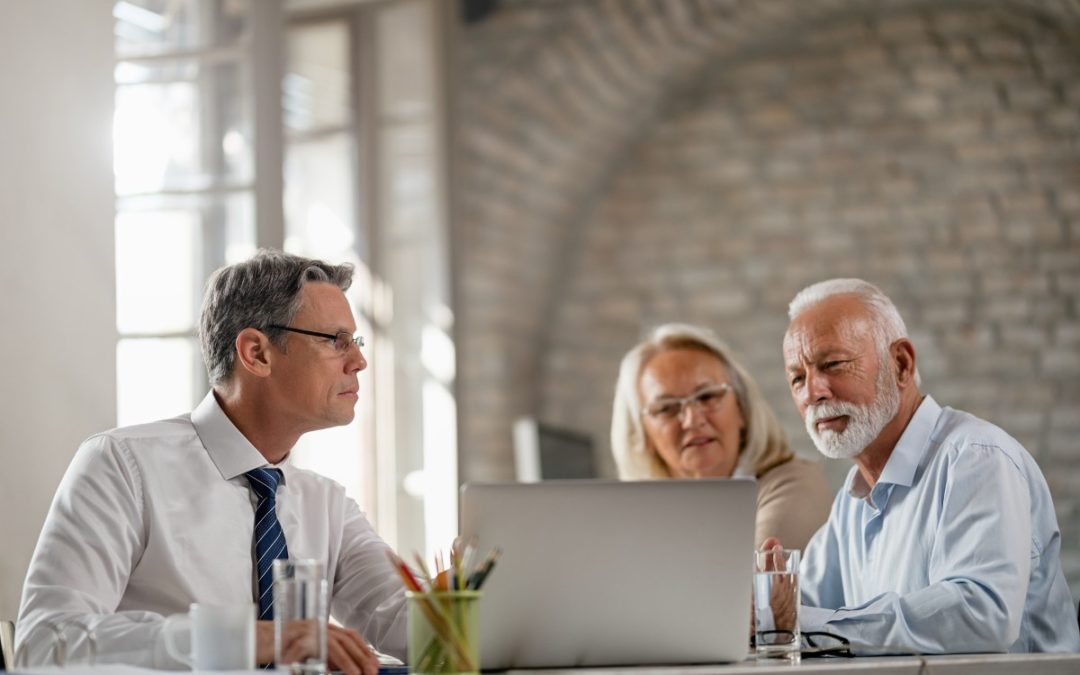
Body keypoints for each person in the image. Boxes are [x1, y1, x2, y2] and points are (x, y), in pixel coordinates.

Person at [17, 250, 405, 674]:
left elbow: (410, 624)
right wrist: (243, 640)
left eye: (356, 340)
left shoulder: (327, 504)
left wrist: (464, 600)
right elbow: (45, 643)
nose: (359, 361)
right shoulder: (122, 467)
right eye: (335, 341)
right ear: (256, 353)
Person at [769, 277, 1080, 653]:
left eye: (833, 364)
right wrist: (765, 608)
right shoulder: (852, 501)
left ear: (900, 364)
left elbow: (981, 615)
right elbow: (799, 608)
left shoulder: (976, 459)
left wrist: (807, 624)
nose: (813, 392)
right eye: (797, 378)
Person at [611, 323, 832, 549]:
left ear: (741, 408)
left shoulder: (794, 487)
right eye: (667, 408)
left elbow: (746, 584)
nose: (693, 420)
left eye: (707, 396)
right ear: (642, 435)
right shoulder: (640, 517)